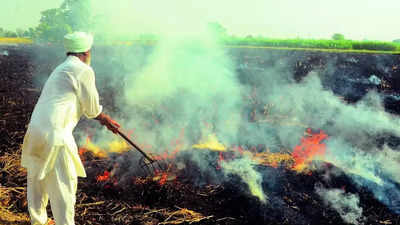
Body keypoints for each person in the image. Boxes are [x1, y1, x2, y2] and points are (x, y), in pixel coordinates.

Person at [21, 32, 120, 225]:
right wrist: (105, 119)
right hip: (56, 134)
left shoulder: (61, 68)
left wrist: (102, 118)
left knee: (37, 182)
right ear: (87, 51)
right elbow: (91, 108)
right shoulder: (83, 70)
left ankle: (38, 221)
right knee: (64, 184)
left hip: (35, 130)